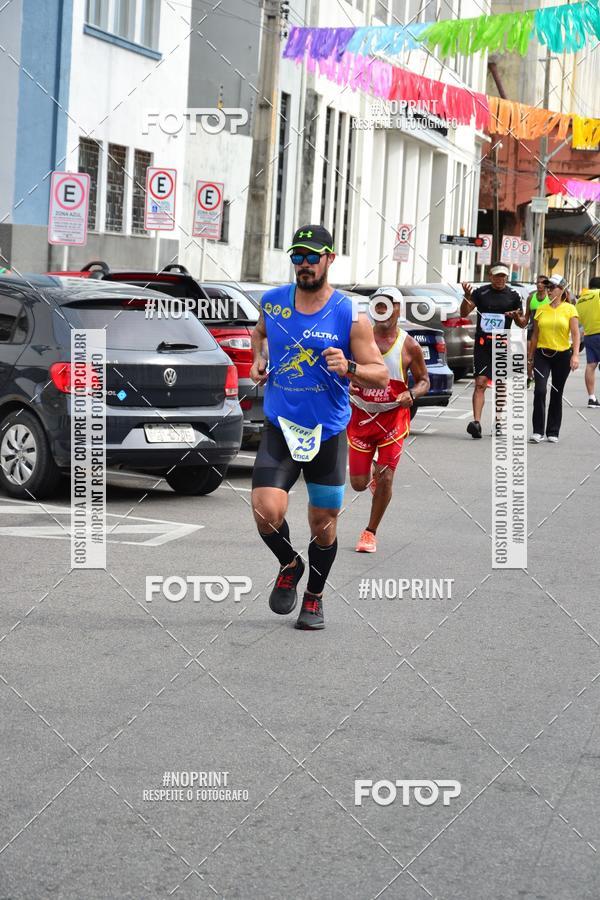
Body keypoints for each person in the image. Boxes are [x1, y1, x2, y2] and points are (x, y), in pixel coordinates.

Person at [250, 225, 389, 630]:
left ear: (330, 258)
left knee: (323, 524)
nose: (305, 264)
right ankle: (289, 564)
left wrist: (350, 367)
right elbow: (259, 333)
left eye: (313, 256)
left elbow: (380, 373)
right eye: (298, 256)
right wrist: (258, 358)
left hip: (326, 432)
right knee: (265, 511)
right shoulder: (273, 302)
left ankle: (314, 596)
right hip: (280, 426)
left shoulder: (350, 314)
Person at [347, 288, 429, 553]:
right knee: (358, 484)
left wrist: (411, 393)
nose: (382, 308)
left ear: (398, 308)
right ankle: (372, 475)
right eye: (378, 304)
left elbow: (424, 381)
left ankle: (370, 532)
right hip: (361, 417)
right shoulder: (357, 339)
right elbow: (340, 368)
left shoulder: (409, 345)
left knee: (386, 476)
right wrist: (347, 381)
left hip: (393, 420)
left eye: (388, 304)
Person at [461, 263, 527, 438]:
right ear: (490, 276)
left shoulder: (513, 295)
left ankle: (498, 422)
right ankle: (476, 423)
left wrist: (516, 317)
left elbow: (522, 323)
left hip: (502, 344)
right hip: (483, 344)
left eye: (503, 276)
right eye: (497, 276)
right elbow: (464, 313)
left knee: (500, 384)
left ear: (507, 277)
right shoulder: (481, 293)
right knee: (480, 382)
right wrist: (466, 296)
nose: (500, 279)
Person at [528, 274, 580, 443]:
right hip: (542, 354)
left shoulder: (570, 309)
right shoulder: (541, 309)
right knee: (540, 390)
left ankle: (553, 431)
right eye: (547, 287)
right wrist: (530, 359)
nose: (548, 290)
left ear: (562, 290)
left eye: (552, 287)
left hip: (562, 355)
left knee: (557, 393)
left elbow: (575, 334)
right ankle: (537, 431)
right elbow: (535, 336)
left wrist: (575, 355)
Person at [576, 275, 600, 407]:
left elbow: (577, 319)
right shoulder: (598, 294)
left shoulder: (581, 300)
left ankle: (591, 398)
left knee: (591, 365)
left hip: (589, 335)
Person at [525, 276, 551, 384]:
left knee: (541, 355)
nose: (539, 284)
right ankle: (529, 376)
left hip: (545, 331)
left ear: (547, 285)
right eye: (538, 282)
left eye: (542, 282)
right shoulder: (531, 298)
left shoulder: (550, 298)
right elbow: (526, 316)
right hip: (532, 329)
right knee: (529, 353)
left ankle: (539, 376)